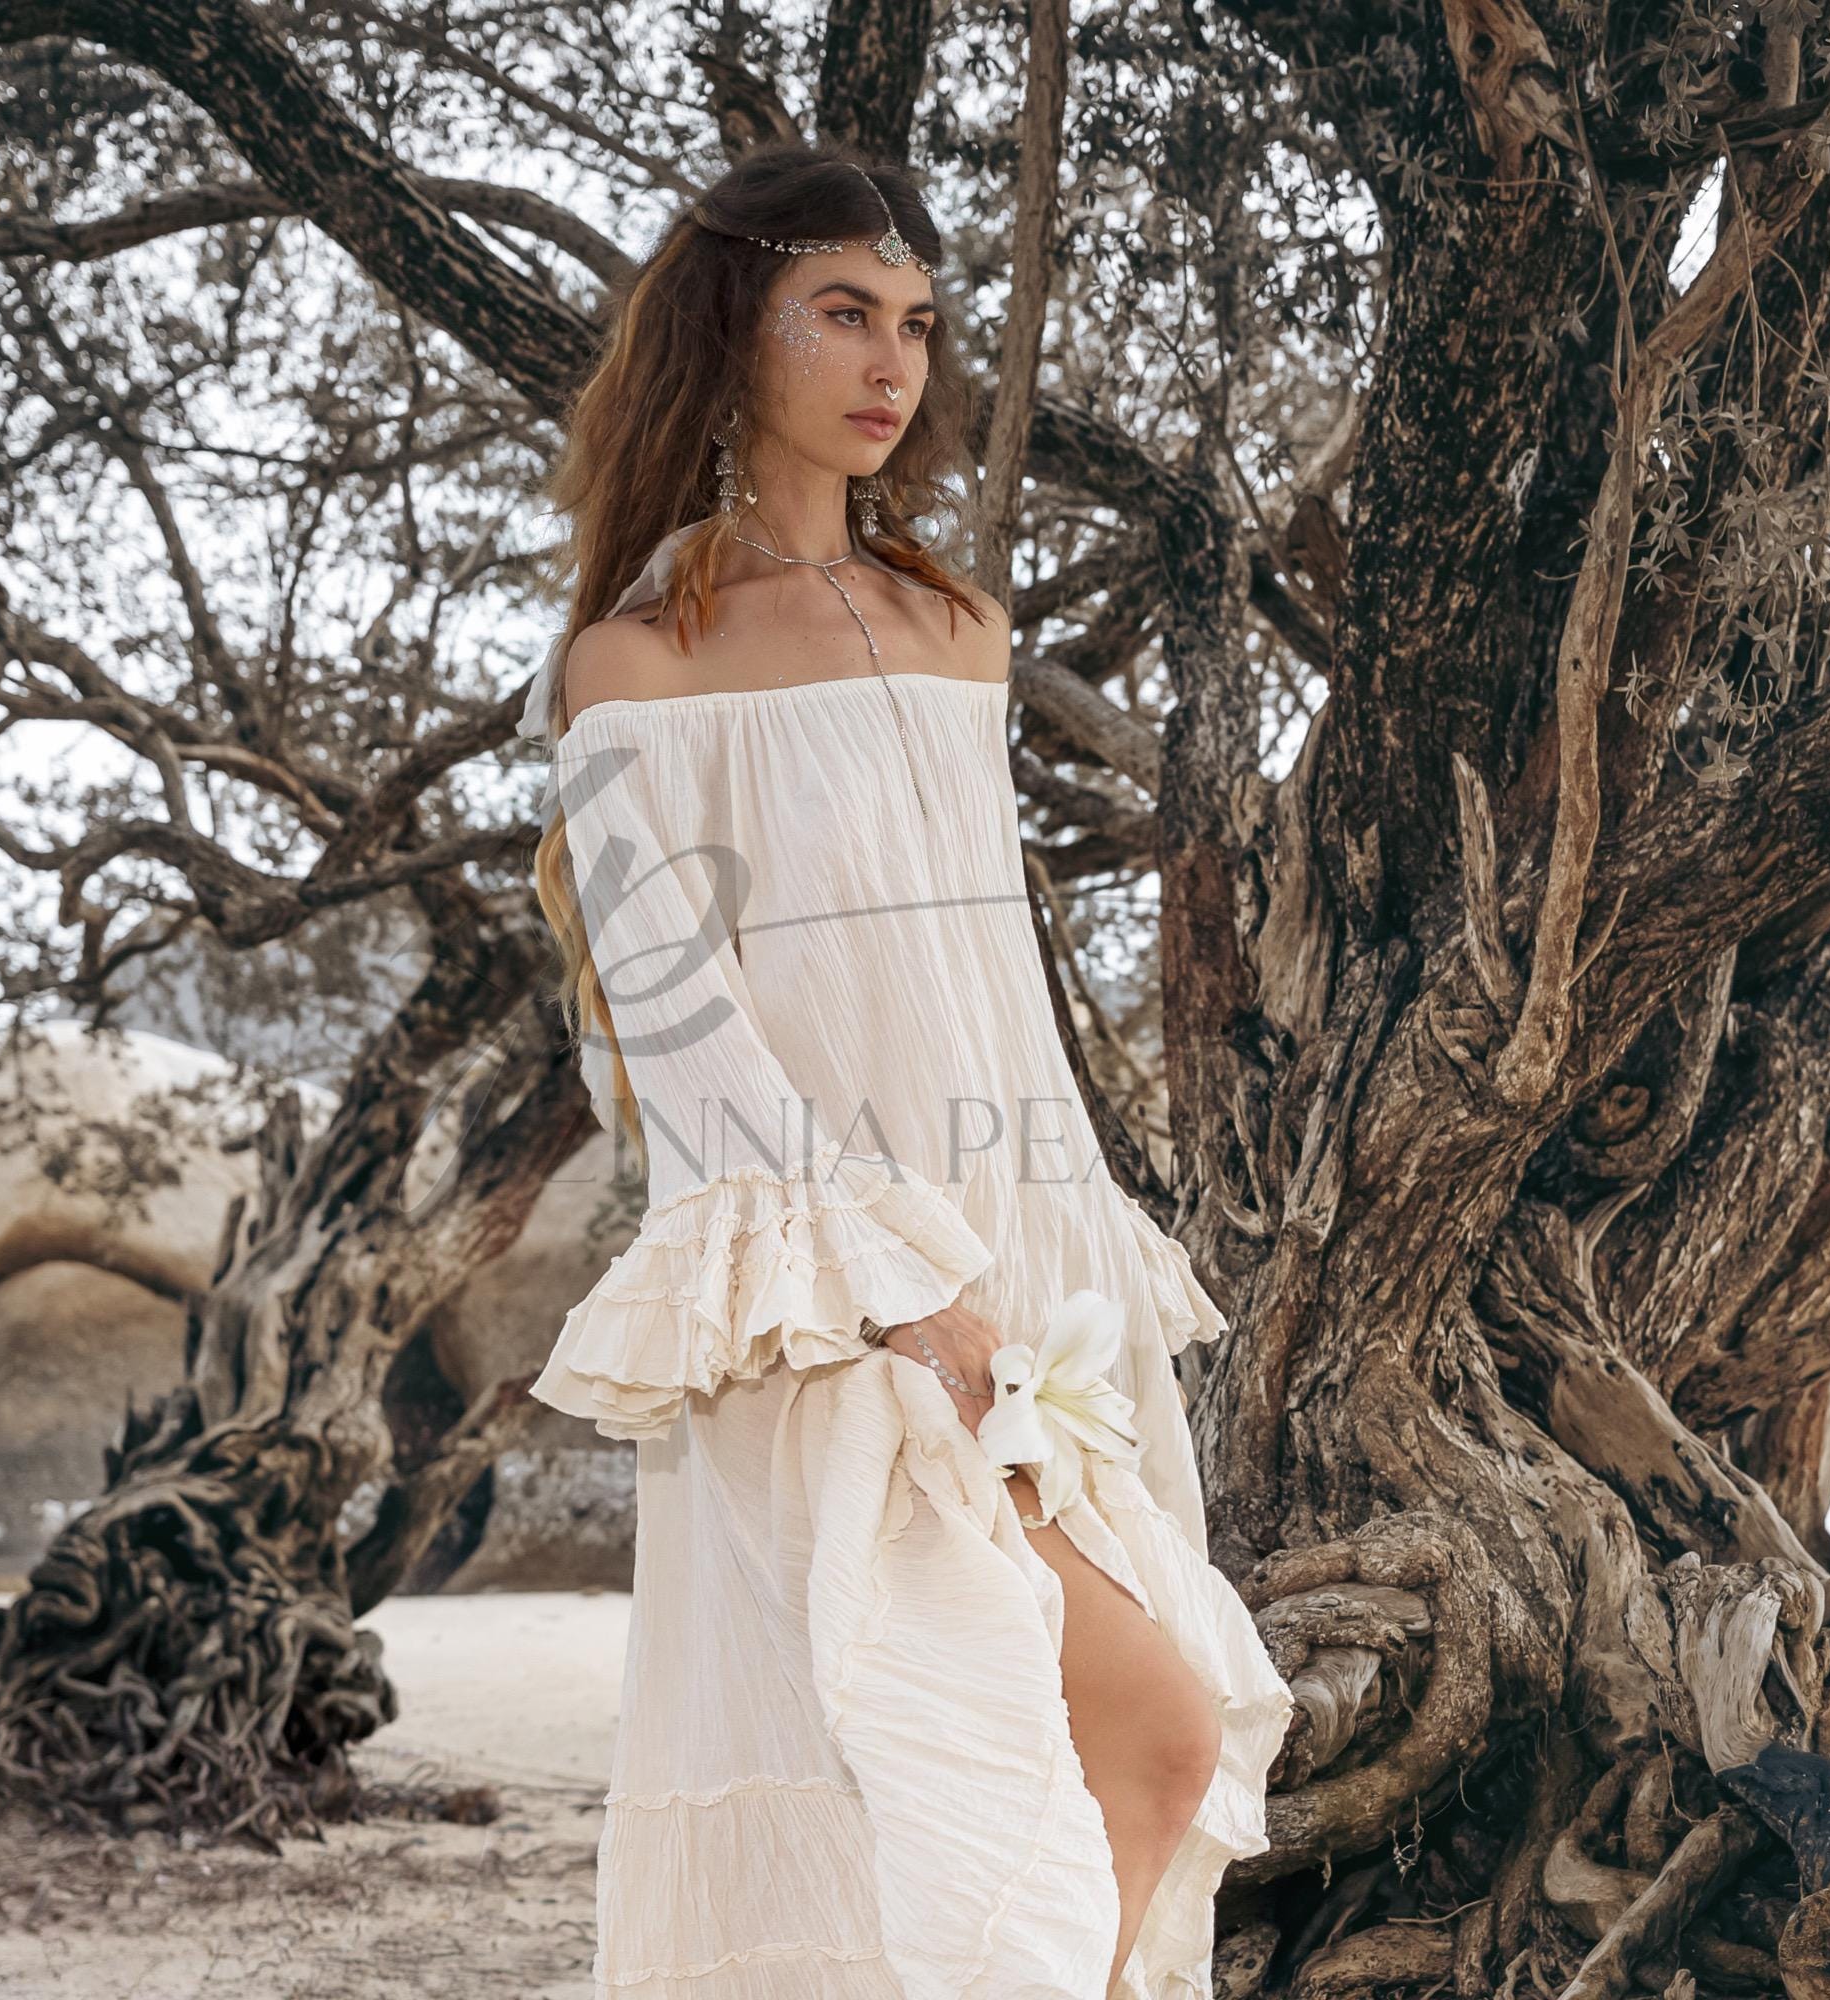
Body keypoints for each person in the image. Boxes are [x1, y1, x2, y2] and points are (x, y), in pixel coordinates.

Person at [518, 141, 1294, 2000]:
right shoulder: (636, 666)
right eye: (844, 313)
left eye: (922, 324)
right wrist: (895, 1289)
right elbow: (685, 1028)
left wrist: (1060, 1248)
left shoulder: (960, 630)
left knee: (1076, 1768)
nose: (894, 364)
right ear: (735, 328)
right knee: (1105, 1737)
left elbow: (982, 982)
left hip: (1019, 1266)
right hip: (825, 1299)